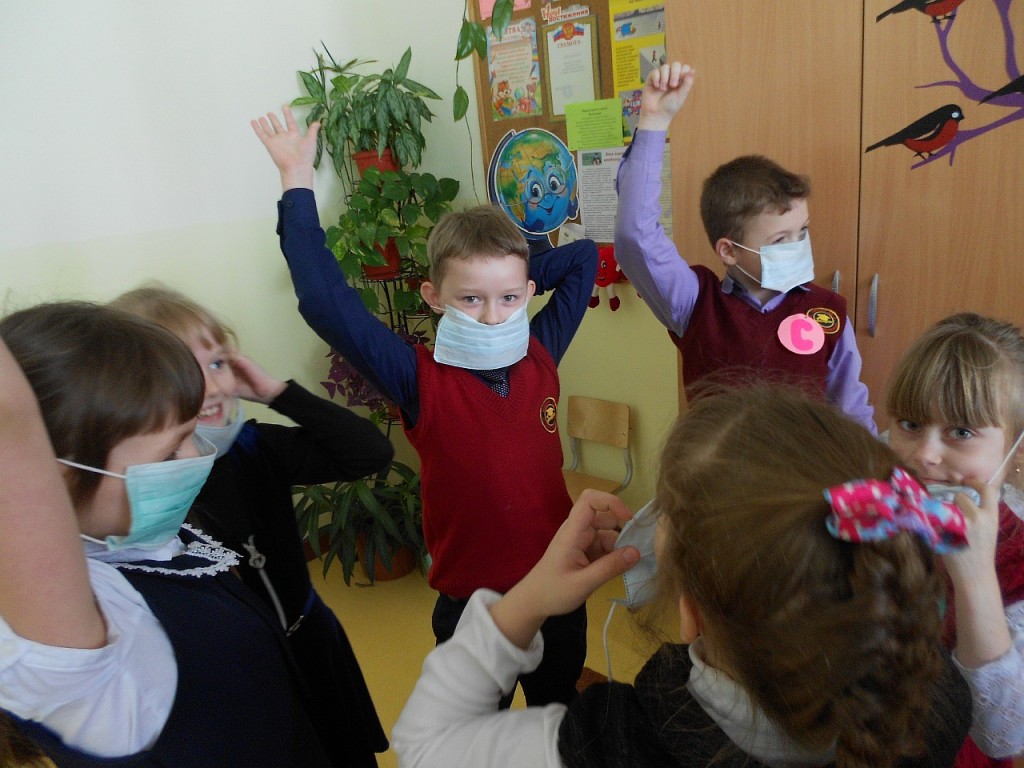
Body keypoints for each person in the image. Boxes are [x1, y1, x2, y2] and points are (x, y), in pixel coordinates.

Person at [392, 385, 972, 768]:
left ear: (691, 612)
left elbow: (424, 743)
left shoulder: (609, 748)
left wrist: (528, 598)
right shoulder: (936, 700)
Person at [252, 107, 598, 708]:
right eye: (470, 299)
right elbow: (326, 305)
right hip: (473, 608)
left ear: (527, 295)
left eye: (508, 299)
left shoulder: (540, 350)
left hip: (556, 588)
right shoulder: (418, 378)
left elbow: (584, 256)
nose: (491, 317)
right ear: (434, 296)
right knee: (476, 728)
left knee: (557, 715)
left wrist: (504, 274)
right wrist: (296, 183)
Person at [0, 302, 336, 767]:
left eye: (190, 433)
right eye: (167, 455)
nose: (196, 456)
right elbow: (11, 424)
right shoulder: (88, 620)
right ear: (54, 482)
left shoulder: (154, 534)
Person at [109, 284, 394, 768]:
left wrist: (276, 394)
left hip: (311, 640)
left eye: (217, 363)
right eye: (186, 372)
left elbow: (369, 452)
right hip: (250, 671)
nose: (212, 387)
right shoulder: (156, 493)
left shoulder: (253, 446)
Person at [614, 61, 875, 433]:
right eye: (779, 240)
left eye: (802, 232)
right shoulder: (695, 302)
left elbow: (852, 413)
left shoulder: (827, 312)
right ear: (729, 251)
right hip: (716, 469)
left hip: (802, 470)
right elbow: (635, 238)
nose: (798, 246)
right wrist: (654, 122)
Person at [885, 312, 1024, 767]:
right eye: (910, 424)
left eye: (961, 432)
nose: (924, 455)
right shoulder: (884, 501)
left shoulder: (1018, 559)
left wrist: (975, 578)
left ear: (1016, 451)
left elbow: (1005, 736)